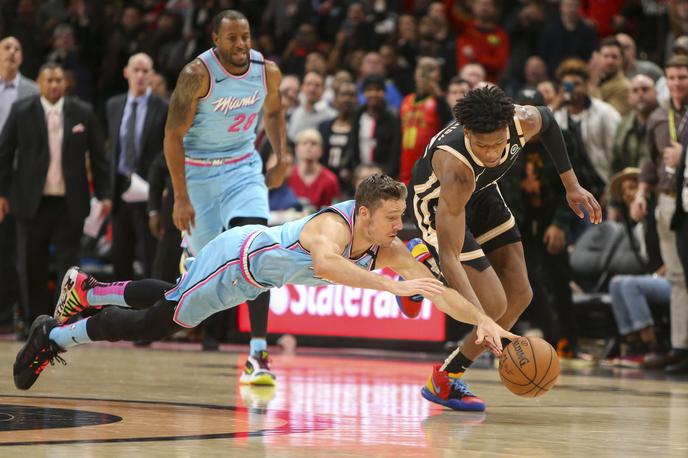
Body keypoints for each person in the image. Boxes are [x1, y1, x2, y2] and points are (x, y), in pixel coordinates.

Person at [13, 174, 517, 392]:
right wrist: (392, 288)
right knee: (158, 323)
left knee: (171, 295)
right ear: (362, 213)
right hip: (233, 262)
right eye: (390, 217)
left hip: (251, 279)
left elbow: (440, 289)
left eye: (398, 217)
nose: (397, 226)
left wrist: (486, 323)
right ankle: (53, 335)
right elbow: (327, 267)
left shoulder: (386, 245)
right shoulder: (333, 228)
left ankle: (87, 289)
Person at [407, 86, 601, 411]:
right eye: (483, 146)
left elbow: (550, 120)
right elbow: (452, 256)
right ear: (468, 133)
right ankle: (421, 264)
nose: (494, 153)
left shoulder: (520, 120)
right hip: (441, 204)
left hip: (484, 194)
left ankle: (444, 378)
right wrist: (478, 315)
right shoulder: (455, 170)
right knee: (492, 306)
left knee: (520, 297)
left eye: (499, 143)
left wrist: (572, 185)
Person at [162, 10, 289, 385]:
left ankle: (258, 352)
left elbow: (275, 112)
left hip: (242, 168)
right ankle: (192, 251)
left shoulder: (267, 72)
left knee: (257, 250)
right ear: (215, 39)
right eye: (232, 38)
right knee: (204, 266)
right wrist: (180, 197)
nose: (241, 45)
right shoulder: (196, 75)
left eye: (246, 37)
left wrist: (282, 155)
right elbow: (172, 136)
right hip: (198, 173)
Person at [0, 63, 111, 332]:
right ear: (39, 82)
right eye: (49, 80)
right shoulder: (22, 110)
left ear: (66, 83)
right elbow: (4, 154)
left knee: (68, 266)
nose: (53, 85)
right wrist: (2, 193)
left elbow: (99, 157)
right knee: (30, 263)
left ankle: (62, 323)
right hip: (31, 201)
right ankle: (33, 322)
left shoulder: (82, 111)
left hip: (69, 202)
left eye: (59, 79)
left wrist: (105, 194)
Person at [105, 53, 168, 280]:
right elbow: (111, 151)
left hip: (149, 191)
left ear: (151, 75)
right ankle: (119, 312)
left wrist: (164, 189)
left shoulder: (163, 107)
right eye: (136, 70)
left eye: (145, 71)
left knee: (151, 258)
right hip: (120, 189)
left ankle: (150, 312)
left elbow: (168, 153)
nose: (140, 75)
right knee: (120, 258)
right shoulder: (113, 105)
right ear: (126, 72)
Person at [0, 36, 39, 334]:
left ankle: (12, 313)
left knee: (15, 250)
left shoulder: (33, 91)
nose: (12, 53)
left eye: (17, 48)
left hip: (19, 181)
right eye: (6, 48)